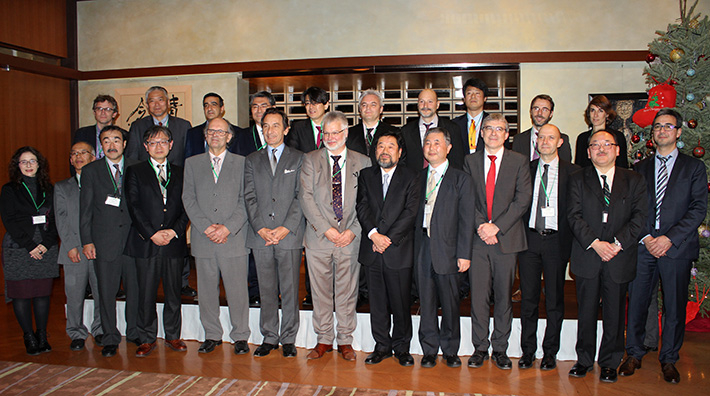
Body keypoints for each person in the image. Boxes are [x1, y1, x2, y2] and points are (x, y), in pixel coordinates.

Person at [619, 108, 708, 384]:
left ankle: (669, 358)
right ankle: (633, 353)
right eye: (658, 126)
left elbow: (697, 209)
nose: (662, 130)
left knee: (674, 305)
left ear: (679, 132)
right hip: (644, 247)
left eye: (668, 126)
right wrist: (647, 237)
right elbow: (634, 208)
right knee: (637, 304)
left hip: (676, 248)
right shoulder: (640, 168)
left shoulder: (694, 168)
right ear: (653, 132)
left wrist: (668, 238)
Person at [567, 130, 646, 383]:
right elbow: (573, 215)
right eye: (595, 145)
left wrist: (616, 244)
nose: (601, 149)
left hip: (619, 256)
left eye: (607, 144)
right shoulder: (577, 179)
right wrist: (595, 244)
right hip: (588, 255)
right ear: (588, 152)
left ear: (617, 150)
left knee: (614, 314)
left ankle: (611, 362)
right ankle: (585, 359)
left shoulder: (634, 180)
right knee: (586, 312)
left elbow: (639, 218)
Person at [299, 111, 371, 361]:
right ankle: (323, 339)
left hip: (350, 238)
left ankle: (345, 340)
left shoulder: (363, 162)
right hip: (319, 238)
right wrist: (327, 229)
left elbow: (367, 203)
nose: (330, 137)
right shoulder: (310, 159)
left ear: (346, 133)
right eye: (325, 133)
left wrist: (353, 231)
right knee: (320, 292)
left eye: (335, 132)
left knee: (347, 291)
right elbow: (306, 198)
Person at [464, 113, 532, 370]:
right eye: (489, 128)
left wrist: (497, 227)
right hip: (478, 239)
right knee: (478, 296)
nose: (493, 133)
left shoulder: (519, 161)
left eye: (499, 129)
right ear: (481, 133)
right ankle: (480, 347)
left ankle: (500, 348)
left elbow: (523, 199)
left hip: (507, 238)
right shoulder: (469, 161)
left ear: (507, 134)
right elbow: (467, 196)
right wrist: (482, 225)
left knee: (504, 297)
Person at [182, 117, 251, 355]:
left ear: (229, 137)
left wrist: (227, 228)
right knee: (207, 291)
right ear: (205, 135)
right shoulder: (192, 163)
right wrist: (206, 227)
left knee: (237, 291)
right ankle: (212, 335)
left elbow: (247, 200)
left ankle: (241, 335)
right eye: (211, 131)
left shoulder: (243, 163)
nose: (215, 135)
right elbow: (188, 199)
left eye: (220, 132)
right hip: (204, 239)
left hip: (234, 238)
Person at [517, 124, 579, 371]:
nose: (544, 141)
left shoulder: (573, 172)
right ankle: (527, 352)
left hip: (556, 241)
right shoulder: (526, 169)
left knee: (554, 299)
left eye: (550, 137)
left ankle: (550, 352)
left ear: (560, 142)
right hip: (529, 240)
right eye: (541, 137)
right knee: (528, 300)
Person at [356, 129, 420, 367]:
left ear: (400, 152)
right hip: (372, 250)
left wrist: (387, 239)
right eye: (380, 146)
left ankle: (402, 347)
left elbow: (410, 212)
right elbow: (361, 207)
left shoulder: (411, 176)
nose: (384, 150)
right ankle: (381, 346)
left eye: (390, 146)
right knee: (378, 303)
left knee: (401, 302)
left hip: (398, 250)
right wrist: (374, 235)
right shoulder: (365, 175)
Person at [124, 125, 189, 357]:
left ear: (171, 145)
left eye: (163, 142)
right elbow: (133, 206)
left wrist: (174, 232)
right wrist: (152, 233)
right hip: (146, 242)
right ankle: (147, 337)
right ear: (145, 146)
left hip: (173, 242)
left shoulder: (181, 172)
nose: (158, 146)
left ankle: (173, 335)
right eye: (153, 142)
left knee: (173, 292)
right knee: (146, 293)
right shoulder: (135, 171)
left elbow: (187, 207)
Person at [244, 108, 305, 358]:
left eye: (275, 125)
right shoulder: (251, 159)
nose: (270, 130)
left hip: (288, 234)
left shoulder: (299, 158)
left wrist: (284, 227)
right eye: (265, 126)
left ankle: (289, 337)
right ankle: (269, 336)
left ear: (286, 129)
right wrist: (261, 228)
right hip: (261, 235)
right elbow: (249, 196)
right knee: (266, 288)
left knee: (290, 288)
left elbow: (301, 196)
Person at [414, 127, 474, 369]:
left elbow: (467, 219)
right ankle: (429, 349)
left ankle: (450, 349)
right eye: (427, 143)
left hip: (450, 249)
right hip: (422, 246)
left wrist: (464, 254)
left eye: (437, 143)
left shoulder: (461, 179)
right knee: (425, 301)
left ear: (448, 148)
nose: (431, 147)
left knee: (450, 302)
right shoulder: (417, 178)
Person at [80, 125, 140, 357]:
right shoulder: (91, 171)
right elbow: (85, 211)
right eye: (106, 140)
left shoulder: (137, 167)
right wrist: (87, 241)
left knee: (135, 289)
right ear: (101, 145)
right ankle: (111, 336)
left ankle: (133, 331)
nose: (112, 145)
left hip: (134, 241)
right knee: (106, 292)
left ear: (124, 144)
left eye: (116, 140)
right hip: (104, 242)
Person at [0, 147, 59, 355]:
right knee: (22, 295)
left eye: (32, 161)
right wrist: (31, 246)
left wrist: (46, 243)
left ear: (39, 164)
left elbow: (55, 220)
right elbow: (9, 220)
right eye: (23, 161)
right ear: (17, 165)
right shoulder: (9, 189)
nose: (28, 165)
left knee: (42, 294)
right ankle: (29, 336)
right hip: (19, 247)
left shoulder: (49, 189)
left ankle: (42, 335)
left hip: (46, 245)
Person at [54, 142, 102, 351]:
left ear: (93, 158)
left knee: (102, 292)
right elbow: (61, 219)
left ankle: (100, 329)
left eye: (83, 153)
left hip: (98, 250)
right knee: (74, 295)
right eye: (74, 153)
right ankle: (76, 332)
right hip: (73, 251)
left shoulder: (102, 184)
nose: (78, 156)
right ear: (71, 160)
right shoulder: (62, 187)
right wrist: (71, 246)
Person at [125, 86, 192, 166]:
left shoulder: (183, 126)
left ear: (168, 103)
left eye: (160, 100)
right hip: (146, 176)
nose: (157, 105)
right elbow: (132, 158)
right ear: (147, 105)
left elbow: (190, 157)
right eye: (152, 101)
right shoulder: (137, 127)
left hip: (177, 175)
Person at [402, 89, 464, 171]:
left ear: (437, 105)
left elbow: (457, 161)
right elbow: (402, 163)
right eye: (421, 102)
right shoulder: (406, 131)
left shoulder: (452, 128)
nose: (425, 106)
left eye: (430, 101)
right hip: (414, 181)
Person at [511, 94, 572, 162]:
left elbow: (566, 168)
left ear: (551, 114)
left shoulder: (561, 139)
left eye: (545, 109)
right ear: (531, 111)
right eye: (536, 108)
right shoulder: (519, 139)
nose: (539, 113)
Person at [347, 89, 401, 164]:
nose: (368, 108)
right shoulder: (349, 133)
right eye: (364, 105)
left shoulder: (394, 132)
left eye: (373, 105)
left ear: (381, 109)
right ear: (360, 109)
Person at [574, 95, 628, 168]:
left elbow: (622, 165)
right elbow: (579, 167)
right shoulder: (582, 138)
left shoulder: (618, 137)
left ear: (607, 114)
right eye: (592, 110)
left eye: (600, 111)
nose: (595, 115)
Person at [287, 86, 330, 153]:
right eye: (307, 103)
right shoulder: (298, 128)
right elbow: (293, 154)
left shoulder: (333, 127)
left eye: (315, 103)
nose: (311, 107)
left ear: (326, 105)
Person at [453, 78, 489, 155]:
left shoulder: (493, 122)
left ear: (485, 98)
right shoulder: (454, 124)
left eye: (477, 93)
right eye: (469, 93)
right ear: (464, 99)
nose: (473, 96)